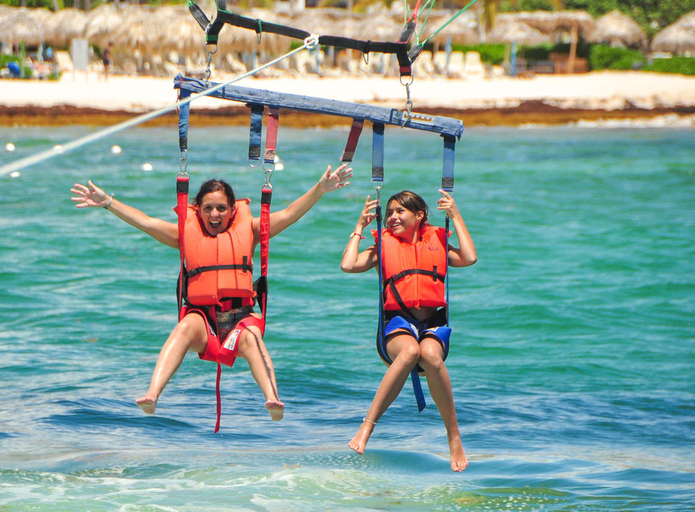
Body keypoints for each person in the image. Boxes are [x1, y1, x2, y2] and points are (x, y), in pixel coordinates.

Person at [70, 164, 352, 423]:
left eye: (221, 208)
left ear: (232, 210)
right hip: (202, 319)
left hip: (241, 318)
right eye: (207, 208)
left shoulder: (252, 231)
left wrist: (320, 189)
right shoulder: (183, 234)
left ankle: (272, 397)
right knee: (183, 328)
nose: (214, 215)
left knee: (253, 341)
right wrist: (107, 202)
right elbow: (145, 222)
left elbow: (290, 214)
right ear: (197, 209)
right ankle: (152, 395)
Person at [340, 189, 477, 472]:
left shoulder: (437, 242)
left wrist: (455, 214)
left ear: (419, 216)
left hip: (432, 324)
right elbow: (347, 265)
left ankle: (454, 437)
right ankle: (367, 426)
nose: (392, 218)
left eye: (399, 212)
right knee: (411, 350)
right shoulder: (382, 248)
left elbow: (470, 257)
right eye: (389, 213)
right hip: (397, 324)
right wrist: (359, 227)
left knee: (429, 353)